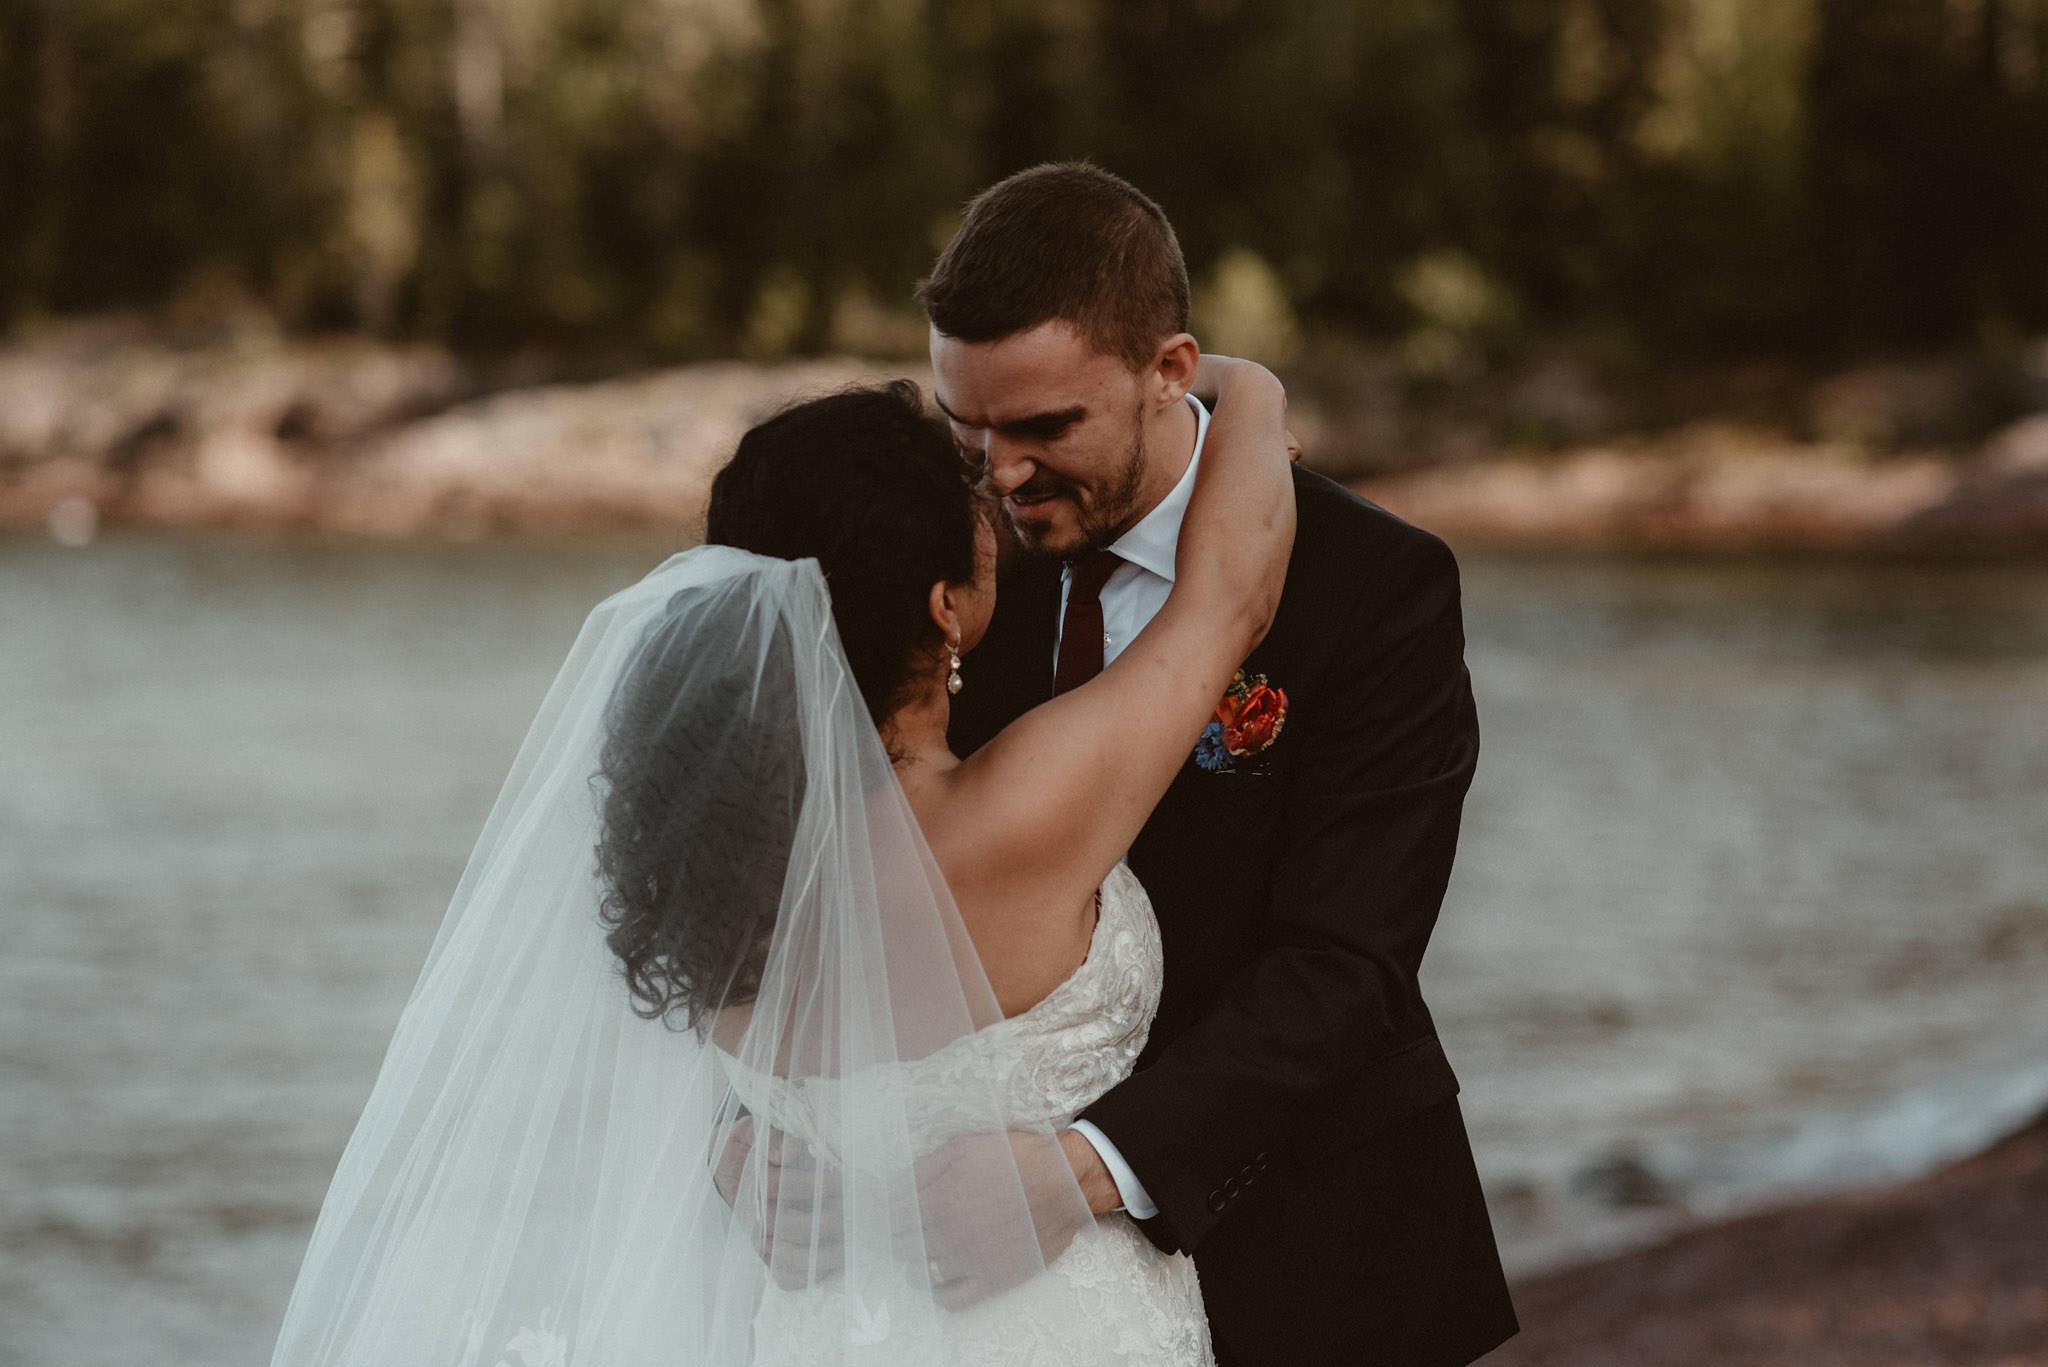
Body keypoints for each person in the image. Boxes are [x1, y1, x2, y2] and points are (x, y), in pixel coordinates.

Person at [268, 360, 1295, 1365]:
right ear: (944, 607)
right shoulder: (1015, 816)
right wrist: (1240, 386)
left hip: (816, 1328)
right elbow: (1229, 598)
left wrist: (733, 1148)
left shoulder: (694, 856)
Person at [926, 163, 1520, 1365]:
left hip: (1314, 1246)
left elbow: (1346, 963)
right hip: (1003, 1278)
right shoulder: (947, 555)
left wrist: (1079, 1172)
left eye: (1046, 427)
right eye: (968, 426)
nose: (1000, 474)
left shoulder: (1374, 586)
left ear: (1170, 372)